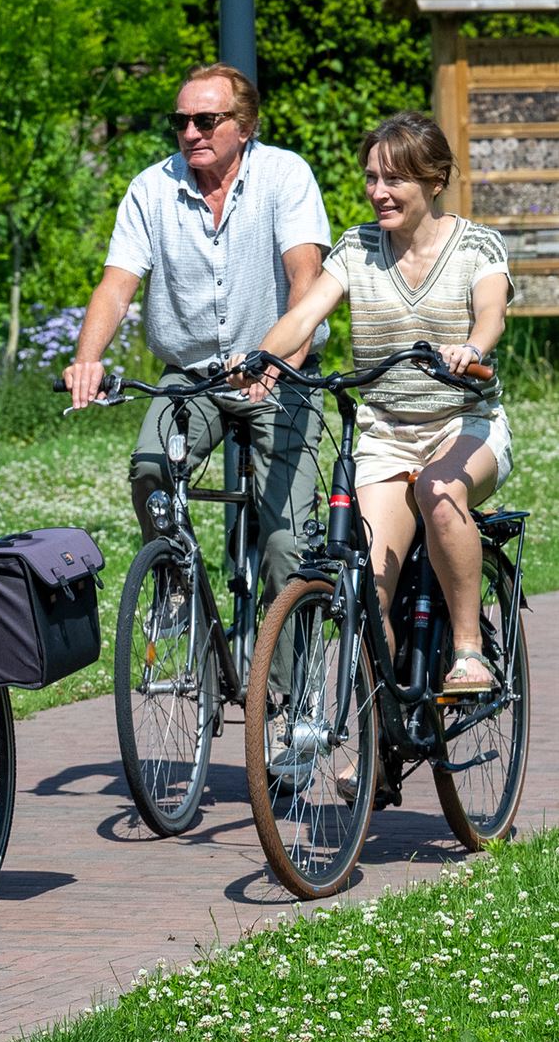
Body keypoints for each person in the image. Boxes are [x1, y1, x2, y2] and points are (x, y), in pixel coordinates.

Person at [232, 111, 513, 704]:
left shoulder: (476, 246)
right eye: (370, 178)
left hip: (465, 426)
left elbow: (491, 311)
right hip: (386, 433)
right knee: (365, 590)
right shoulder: (357, 248)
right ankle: (380, 735)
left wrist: (472, 348)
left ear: (434, 181)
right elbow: (305, 316)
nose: (378, 192)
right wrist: (259, 356)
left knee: (440, 493)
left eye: (394, 179)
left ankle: (467, 649)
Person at [62, 63, 332, 643]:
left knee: (287, 539)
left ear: (245, 124)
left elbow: (305, 279)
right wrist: (87, 358)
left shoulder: (285, 175)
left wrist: (275, 360)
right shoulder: (151, 188)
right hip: (194, 375)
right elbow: (116, 283)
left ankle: (285, 694)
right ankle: (175, 578)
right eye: (180, 121)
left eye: (206, 119)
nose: (191, 133)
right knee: (151, 469)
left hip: (280, 372)